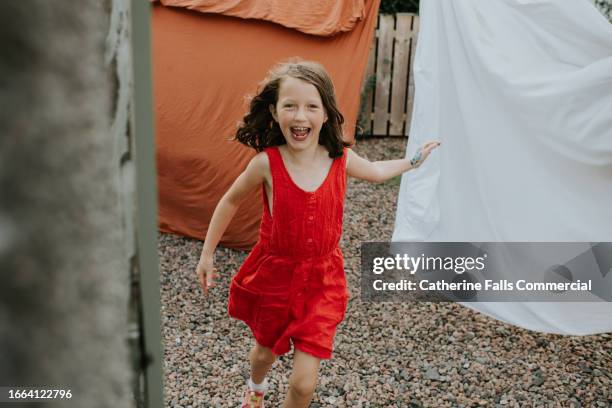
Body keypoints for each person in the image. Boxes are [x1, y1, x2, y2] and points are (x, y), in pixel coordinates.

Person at [196, 59, 439, 408]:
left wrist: (412, 162)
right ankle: (255, 386)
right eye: (290, 106)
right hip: (275, 278)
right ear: (275, 111)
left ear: (326, 114)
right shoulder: (267, 163)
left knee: (304, 384)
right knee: (265, 352)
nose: (300, 116)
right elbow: (230, 201)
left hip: (322, 282)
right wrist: (207, 254)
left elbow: (376, 170)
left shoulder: (340, 158)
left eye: (312, 107)